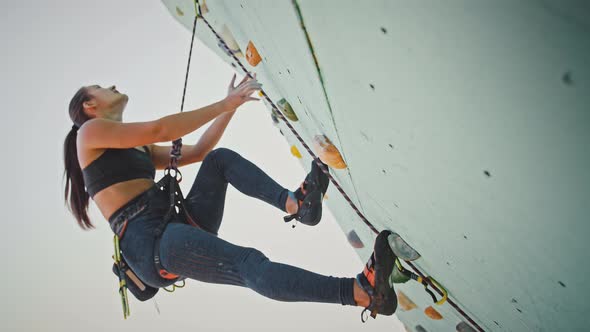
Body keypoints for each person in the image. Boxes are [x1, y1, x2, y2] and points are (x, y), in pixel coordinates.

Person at [62, 74, 397, 320]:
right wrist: (225, 103)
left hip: (175, 225)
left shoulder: (136, 146)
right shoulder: (88, 133)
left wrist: (229, 107)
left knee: (218, 159)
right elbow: (160, 130)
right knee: (248, 264)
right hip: (154, 245)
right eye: (102, 86)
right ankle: (360, 293)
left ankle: (297, 204)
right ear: (89, 105)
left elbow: (201, 151)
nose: (114, 85)